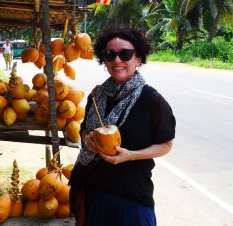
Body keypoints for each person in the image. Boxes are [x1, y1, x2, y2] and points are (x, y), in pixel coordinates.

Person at [69, 24, 176, 226]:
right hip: (94, 194)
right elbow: (84, 130)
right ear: (105, 60)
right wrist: (88, 141)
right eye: (110, 54)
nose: (117, 60)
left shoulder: (152, 100)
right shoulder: (97, 96)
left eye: (125, 54)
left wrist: (131, 156)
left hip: (131, 200)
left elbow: (166, 145)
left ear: (138, 58)